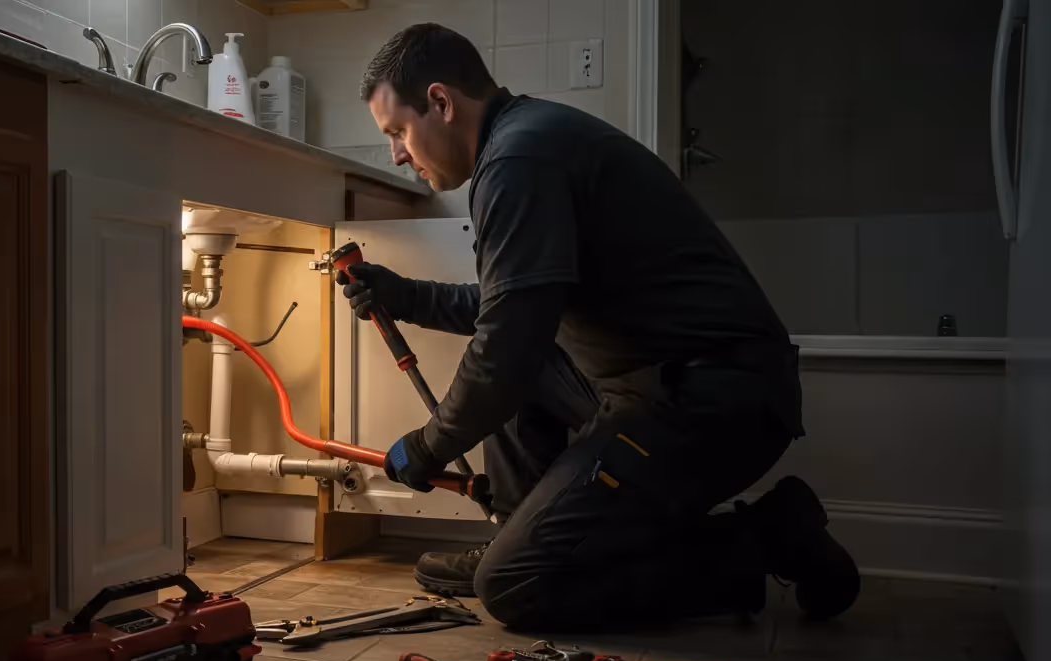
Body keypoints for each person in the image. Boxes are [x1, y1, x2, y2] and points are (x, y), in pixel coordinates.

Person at [344, 23, 860, 630]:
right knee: (528, 365)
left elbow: (506, 345)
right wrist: (401, 295)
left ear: (440, 102)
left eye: (398, 133)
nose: (399, 155)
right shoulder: (525, 141)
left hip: (713, 405)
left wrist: (430, 447)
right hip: (667, 387)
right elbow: (509, 308)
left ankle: (768, 537)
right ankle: (520, 537)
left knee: (514, 589)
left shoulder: (517, 159)